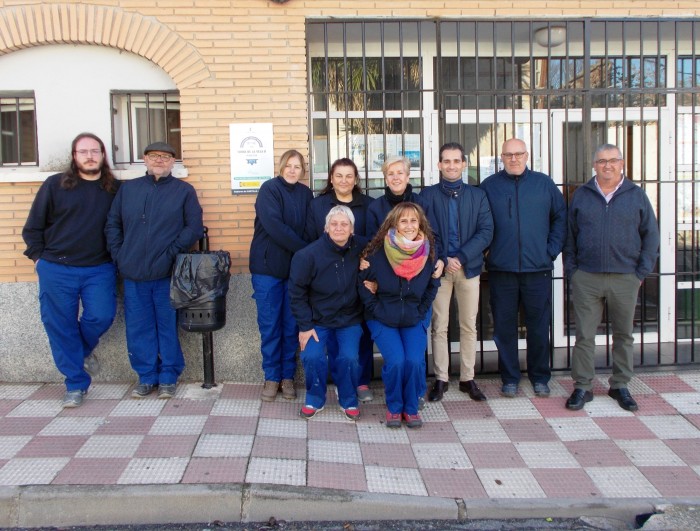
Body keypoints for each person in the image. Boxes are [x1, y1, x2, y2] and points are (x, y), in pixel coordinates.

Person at [22, 133, 120, 408]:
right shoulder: (55, 185)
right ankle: (76, 384)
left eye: (94, 151)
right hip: (56, 268)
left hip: (98, 268)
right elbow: (33, 227)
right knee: (59, 325)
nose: (89, 156)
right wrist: (39, 259)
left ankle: (81, 351)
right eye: (83, 151)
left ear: (103, 155)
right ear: (74, 156)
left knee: (101, 316)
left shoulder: (114, 189)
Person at [564, 144, 660, 412]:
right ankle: (582, 386)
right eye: (602, 161)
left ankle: (620, 384)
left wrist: (640, 272)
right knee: (584, 335)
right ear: (594, 165)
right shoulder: (582, 195)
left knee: (623, 334)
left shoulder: (636, 195)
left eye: (613, 160)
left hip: (625, 277)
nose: (607, 165)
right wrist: (573, 271)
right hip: (587, 277)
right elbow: (569, 236)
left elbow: (651, 236)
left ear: (622, 163)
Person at [105, 141, 203, 399]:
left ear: (173, 162)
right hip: (133, 273)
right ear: (145, 159)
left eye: (166, 156)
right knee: (139, 327)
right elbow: (113, 224)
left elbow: (192, 227)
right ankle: (146, 376)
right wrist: (119, 254)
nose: (160, 160)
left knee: (166, 325)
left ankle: (169, 376)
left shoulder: (184, 191)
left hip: (166, 274)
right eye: (154, 156)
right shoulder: (129, 190)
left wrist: (171, 253)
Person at [480, 138, 567, 398]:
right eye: (508, 155)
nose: (514, 159)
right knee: (504, 329)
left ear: (527, 155)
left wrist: (550, 251)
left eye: (518, 154)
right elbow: (478, 222)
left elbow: (560, 219)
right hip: (501, 271)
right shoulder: (489, 187)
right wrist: (488, 252)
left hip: (537, 270)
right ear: (502, 157)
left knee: (538, 327)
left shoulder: (544, 184)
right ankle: (510, 378)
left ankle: (540, 376)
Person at [420, 142, 493, 402]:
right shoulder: (426, 196)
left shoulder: (478, 195)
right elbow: (424, 231)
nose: (451, 165)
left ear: (464, 164)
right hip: (439, 270)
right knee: (439, 326)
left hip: (469, 268)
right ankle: (441, 379)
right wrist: (442, 258)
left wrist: (460, 257)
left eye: (456, 161)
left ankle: (467, 378)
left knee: (468, 325)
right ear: (439, 165)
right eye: (446, 161)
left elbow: (486, 231)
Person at [359, 203, 440, 429]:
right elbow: (362, 285)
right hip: (383, 317)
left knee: (414, 362)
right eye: (403, 221)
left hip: (413, 317)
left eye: (413, 221)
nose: (409, 226)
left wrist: (421, 311)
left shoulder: (428, 252)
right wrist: (376, 310)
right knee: (396, 362)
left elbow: (433, 284)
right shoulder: (377, 252)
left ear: (421, 223)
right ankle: (395, 407)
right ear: (394, 224)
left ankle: (411, 408)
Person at [306, 158, 375, 402]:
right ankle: (340, 380)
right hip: (326, 275)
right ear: (331, 179)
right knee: (334, 335)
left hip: (358, 273)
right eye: (339, 175)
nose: (344, 180)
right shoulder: (317, 206)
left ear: (356, 179)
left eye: (349, 176)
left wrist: (362, 258)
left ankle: (362, 381)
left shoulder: (369, 205)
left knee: (360, 332)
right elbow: (312, 240)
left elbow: (374, 240)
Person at [289, 206, 365, 421]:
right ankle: (315, 396)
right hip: (316, 320)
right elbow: (296, 293)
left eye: (344, 224)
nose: (339, 228)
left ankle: (348, 398)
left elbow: (384, 248)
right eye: (334, 224)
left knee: (349, 357)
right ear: (326, 228)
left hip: (349, 318)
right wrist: (305, 326)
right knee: (312, 356)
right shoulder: (307, 255)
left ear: (352, 229)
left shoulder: (362, 248)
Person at [249, 149, 313, 402]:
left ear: (303, 171)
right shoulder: (269, 190)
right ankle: (271, 377)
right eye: (288, 165)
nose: (292, 170)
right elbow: (274, 226)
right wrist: (305, 251)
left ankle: (287, 377)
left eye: (297, 167)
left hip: (294, 273)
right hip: (267, 270)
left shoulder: (306, 195)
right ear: (281, 167)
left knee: (290, 327)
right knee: (270, 326)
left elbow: (310, 227)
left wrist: (306, 255)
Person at [366, 156, 423, 237]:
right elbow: (371, 242)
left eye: (400, 173)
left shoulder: (421, 203)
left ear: (407, 177)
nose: (395, 178)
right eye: (390, 174)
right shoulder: (375, 208)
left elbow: (433, 239)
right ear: (386, 180)